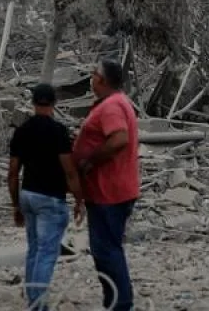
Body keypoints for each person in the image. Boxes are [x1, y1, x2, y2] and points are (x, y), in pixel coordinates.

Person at [8, 83, 85, 310]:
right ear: (54, 104)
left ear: (33, 103)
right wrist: (79, 200)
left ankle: (33, 298)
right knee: (46, 252)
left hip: (28, 195)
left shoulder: (21, 131)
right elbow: (70, 171)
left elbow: (12, 173)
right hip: (50, 198)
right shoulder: (58, 131)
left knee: (34, 249)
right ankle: (38, 304)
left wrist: (16, 205)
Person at [73, 59, 139, 311]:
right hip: (108, 190)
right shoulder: (115, 102)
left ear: (101, 80)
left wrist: (90, 160)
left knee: (106, 250)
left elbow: (119, 138)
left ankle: (120, 304)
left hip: (109, 191)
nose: (91, 78)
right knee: (106, 250)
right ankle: (115, 301)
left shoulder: (112, 106)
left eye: (94, 74)